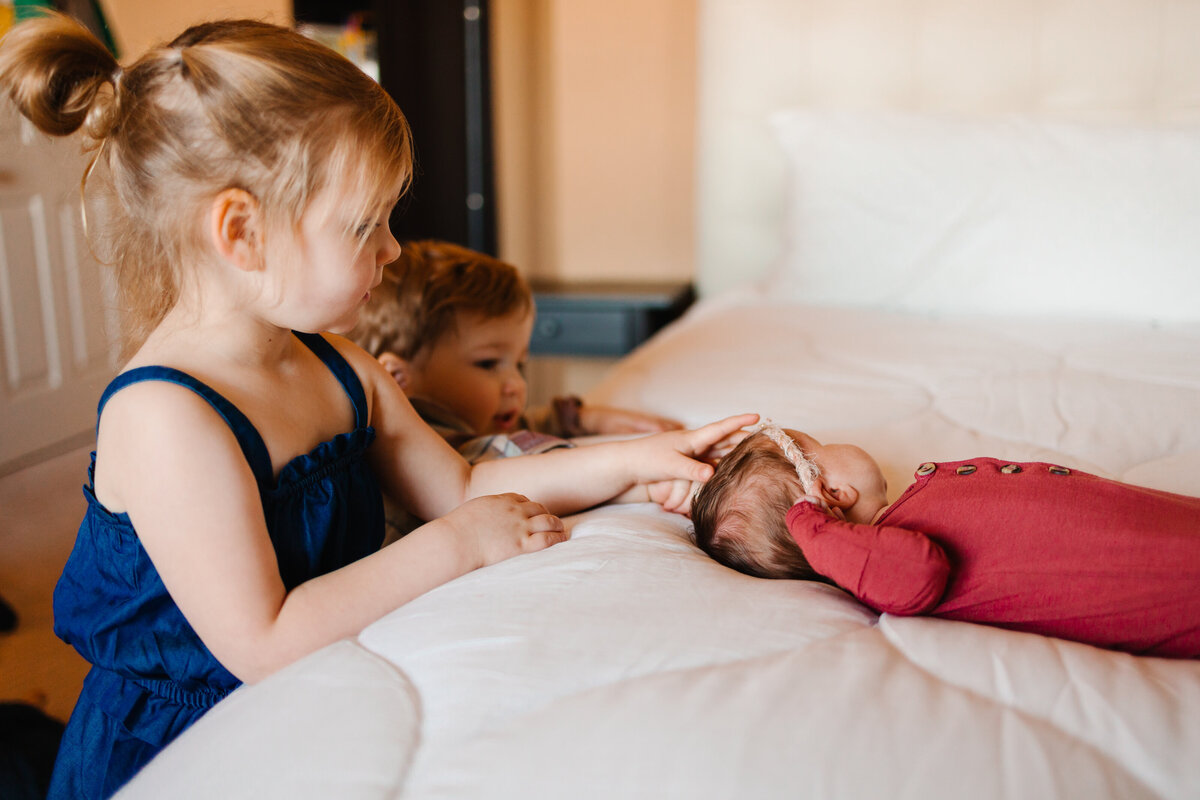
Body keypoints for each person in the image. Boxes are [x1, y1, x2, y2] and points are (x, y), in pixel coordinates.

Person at [0, 14, 756, 797]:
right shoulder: (167, 417)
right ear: (241, 232)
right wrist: (455, 548)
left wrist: (640, 462)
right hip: (182, 735)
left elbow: (463, 489)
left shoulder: (339, 366)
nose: (393, 250)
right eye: (366, 225)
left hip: (318, 692)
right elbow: (264, 641)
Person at [691, 422, 1200, 658]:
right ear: (831, 492)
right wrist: (811, 527)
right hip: (1160, 579)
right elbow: (916, 576)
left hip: (1144, 527)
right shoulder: (890, 553)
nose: (839, 437)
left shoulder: (909, 511)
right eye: (820, 446)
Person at [349, 239, 683, 460]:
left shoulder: (472, 419)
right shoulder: (418, 449)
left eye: (519, 364)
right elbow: (504, 453)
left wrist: (584, 418)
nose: (516, 385)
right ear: (397, 377)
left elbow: (522, 423)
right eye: (488, 363)